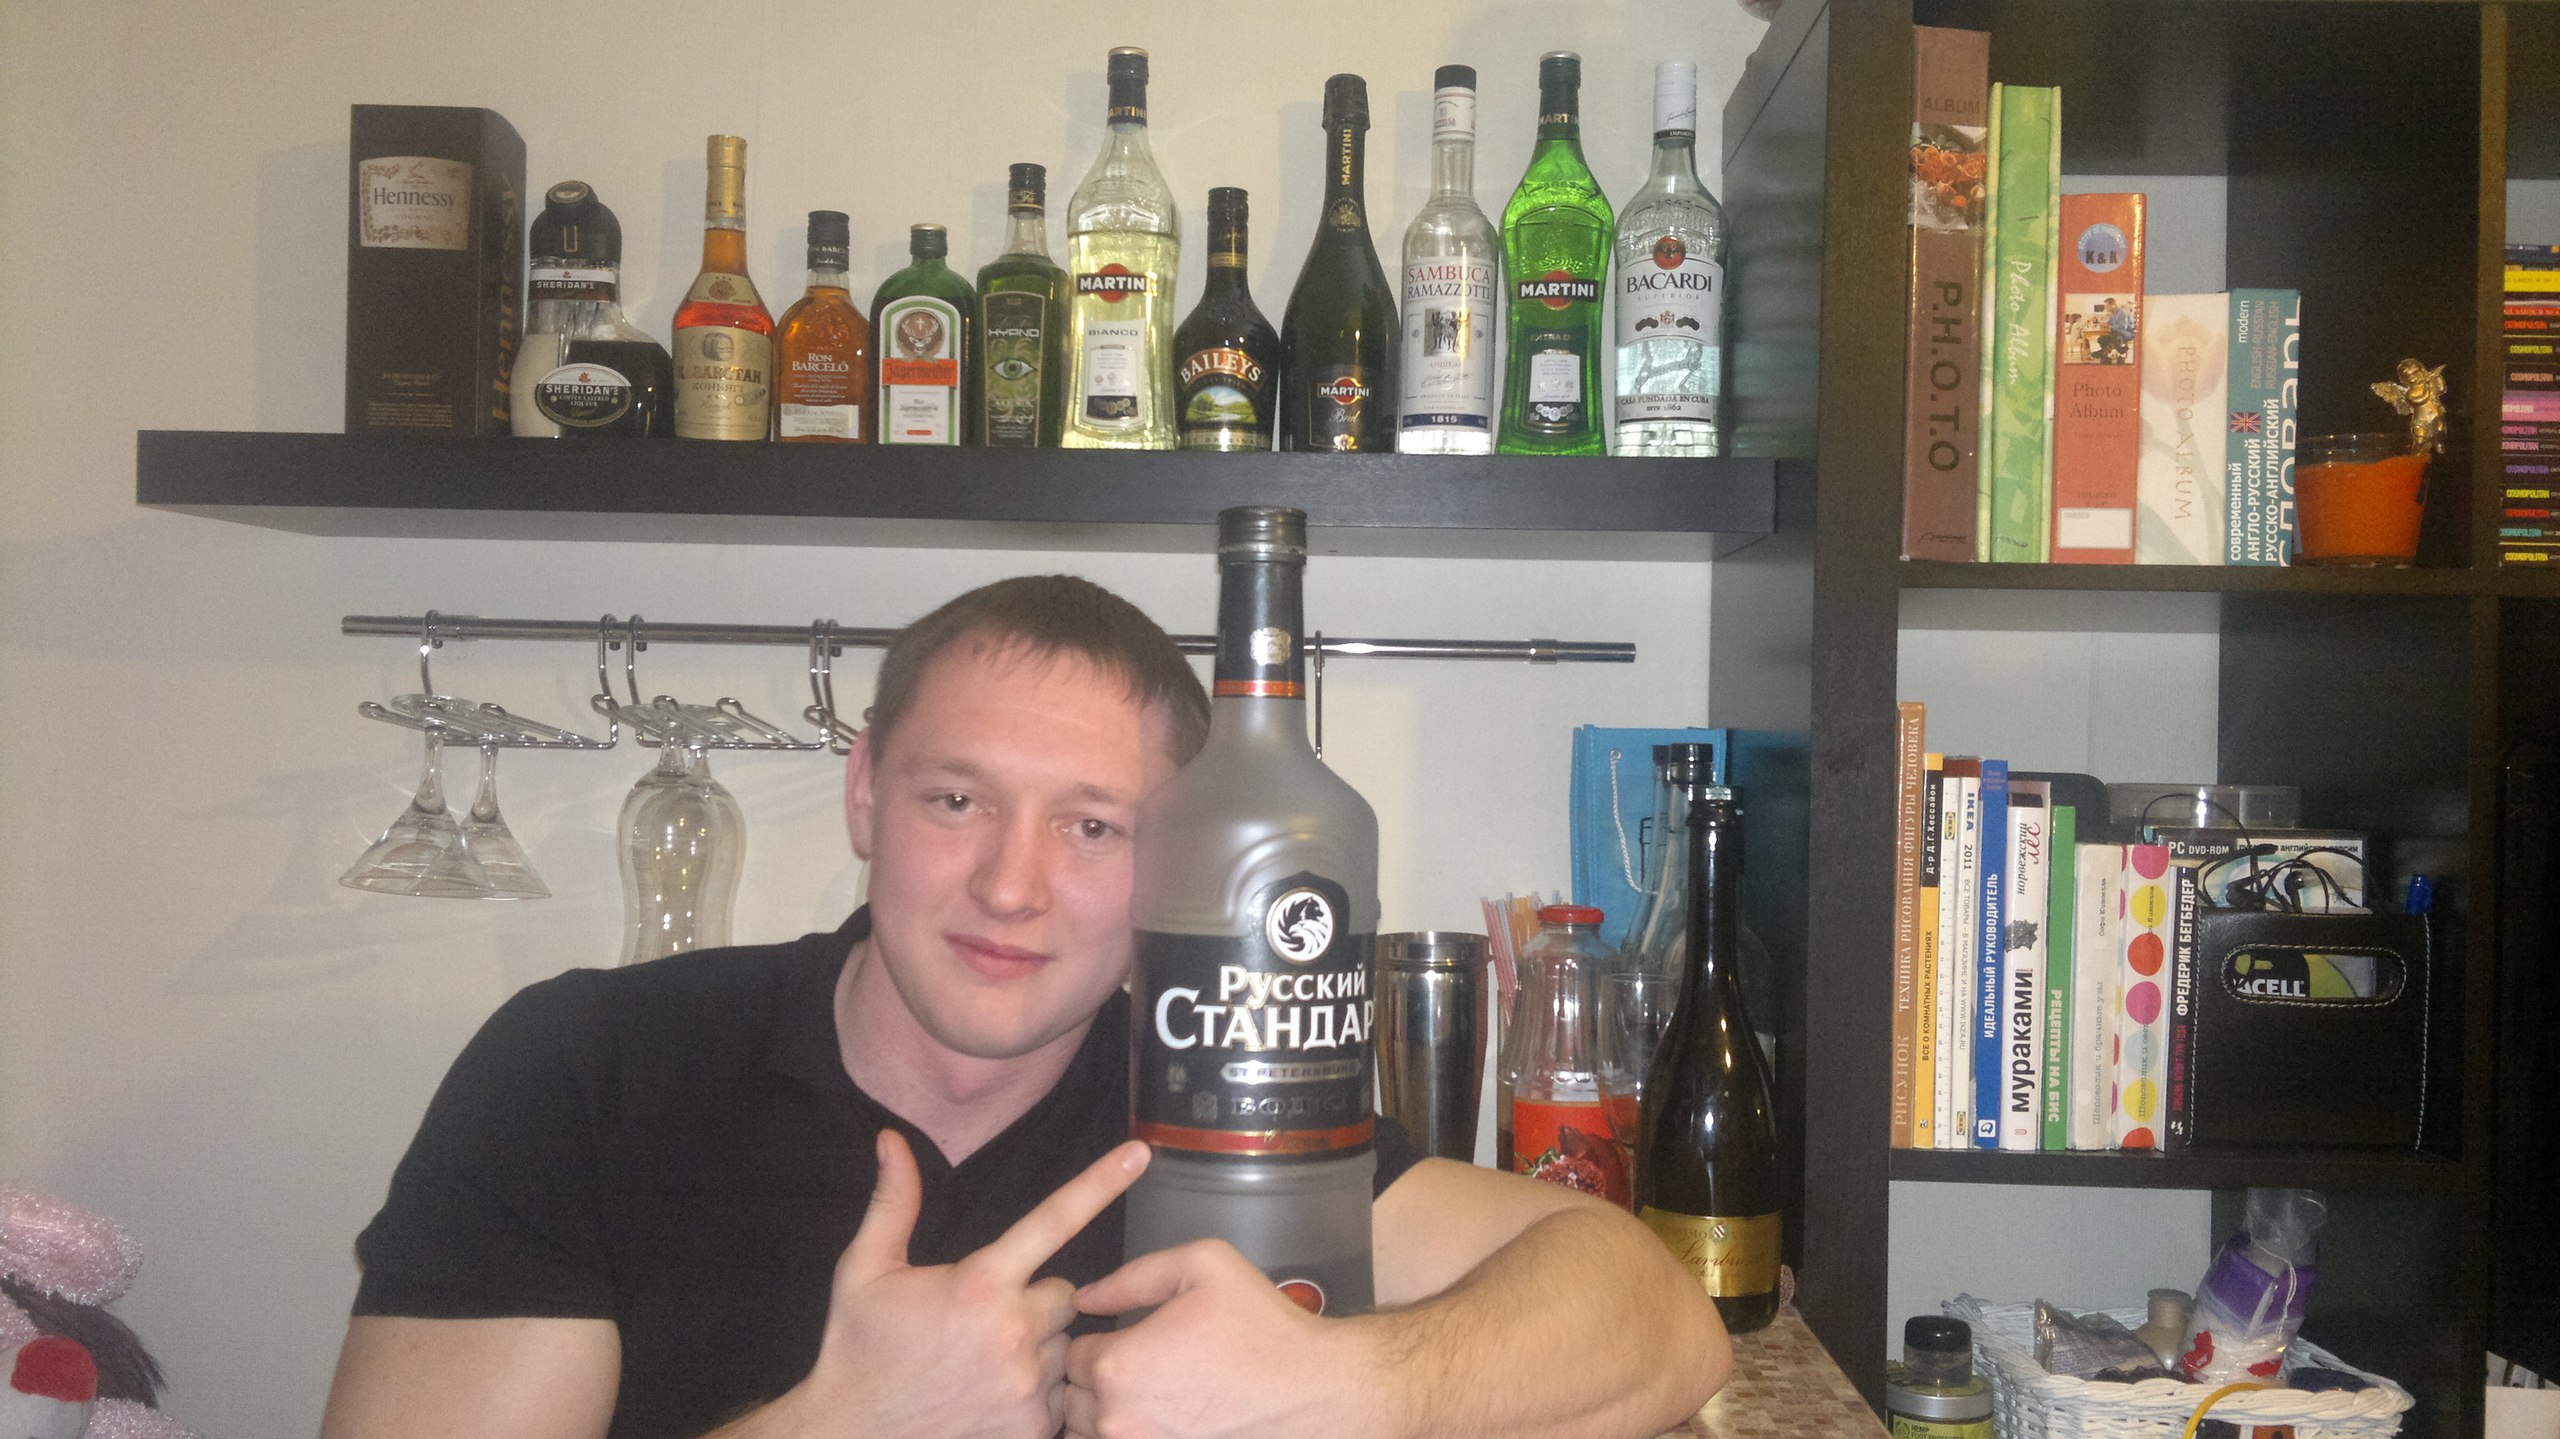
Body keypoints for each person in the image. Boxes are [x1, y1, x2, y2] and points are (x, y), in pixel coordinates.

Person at [318, 575, 1731, 1439]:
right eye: (956, 801)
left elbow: (1660, 1319)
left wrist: (1356, 1393)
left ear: (1171, 860)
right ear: (866, 795)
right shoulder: (584, 1068)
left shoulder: (1207, 1107)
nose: (1011, 885)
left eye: (1094, 828)